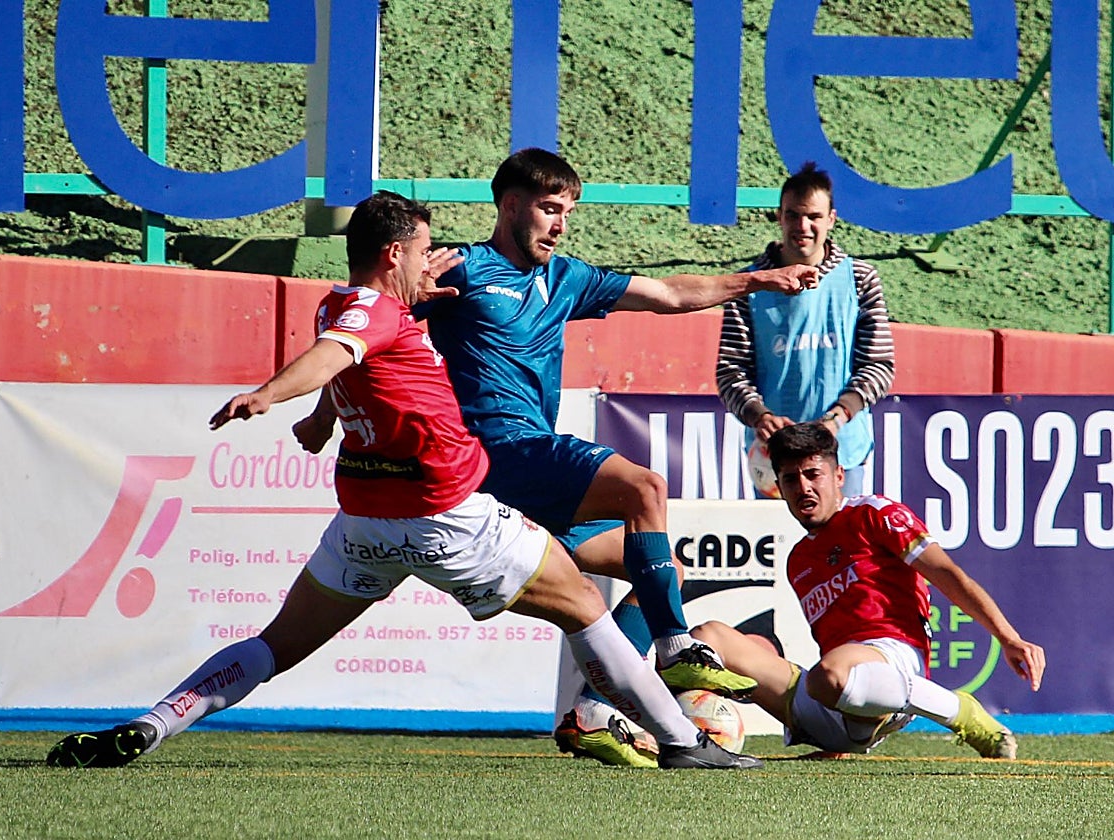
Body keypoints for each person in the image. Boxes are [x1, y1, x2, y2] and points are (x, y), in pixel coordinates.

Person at [45, 191, 763, 771]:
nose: (436, 262)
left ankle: (154, 722)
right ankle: (681, 743)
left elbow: (351, 354)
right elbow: (334, 353)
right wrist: (271, 393)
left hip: (365, 525)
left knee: (273, 646)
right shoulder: (371, 310)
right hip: (447, 517)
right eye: (424, 251)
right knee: (582, 606)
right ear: (394, 255)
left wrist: (324, 418)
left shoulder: (350, 302)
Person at [407, 147, 819, 767]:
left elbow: (672, 293)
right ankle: (676, 650)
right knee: (645, 489)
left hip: (528, 477)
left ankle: (599, 713)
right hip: (500, 454)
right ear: (510, 205)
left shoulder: (568, 278)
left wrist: (756, 280)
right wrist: (406, 288)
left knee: (658, 570)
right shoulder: (463, 269)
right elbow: (373, 323)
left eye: (568, 210)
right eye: (549, 208)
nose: (560, 223)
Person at [689, 422, 1046, 759]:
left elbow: (948, 575)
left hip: (892, 658)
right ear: (779, 488)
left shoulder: (874, 514)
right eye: (791, 479)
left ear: (839, 475)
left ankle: (961, 712)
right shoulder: (798, 560)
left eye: (814, 475)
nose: (804, 488)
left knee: (827, 675)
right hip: (833, 695)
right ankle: (674, 740)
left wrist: (1008, 637)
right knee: (703, 640)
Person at [716, 161, 894, 498]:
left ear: (831, 219)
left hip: (843, 451)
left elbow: (878, 365)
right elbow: (731, 370)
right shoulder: (749, 285)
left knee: (844, 549)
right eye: (794, 215)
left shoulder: (860, 279)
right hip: (775, 459)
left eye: (813, 216)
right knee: (778, 547)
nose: (803, 225)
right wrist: (760, 417)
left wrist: (837, 418)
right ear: (779, 216)